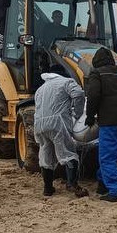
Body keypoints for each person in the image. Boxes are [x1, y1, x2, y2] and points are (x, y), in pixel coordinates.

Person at [85, 47, 117, 202]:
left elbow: (93, 94)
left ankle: (116, 190)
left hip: (109, 121)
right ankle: (102, 183)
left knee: (107, 157)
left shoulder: (97, 74)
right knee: (113, 155)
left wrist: (89, 115)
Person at [33, 65, 88, 197]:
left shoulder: (40, 89)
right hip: (58, 123)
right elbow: (79, 94)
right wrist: (78, 113)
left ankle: (47, 188)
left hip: (39, 124)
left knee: (46, 155)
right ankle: (72, 184)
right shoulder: (66, 82)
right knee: (67, 152)